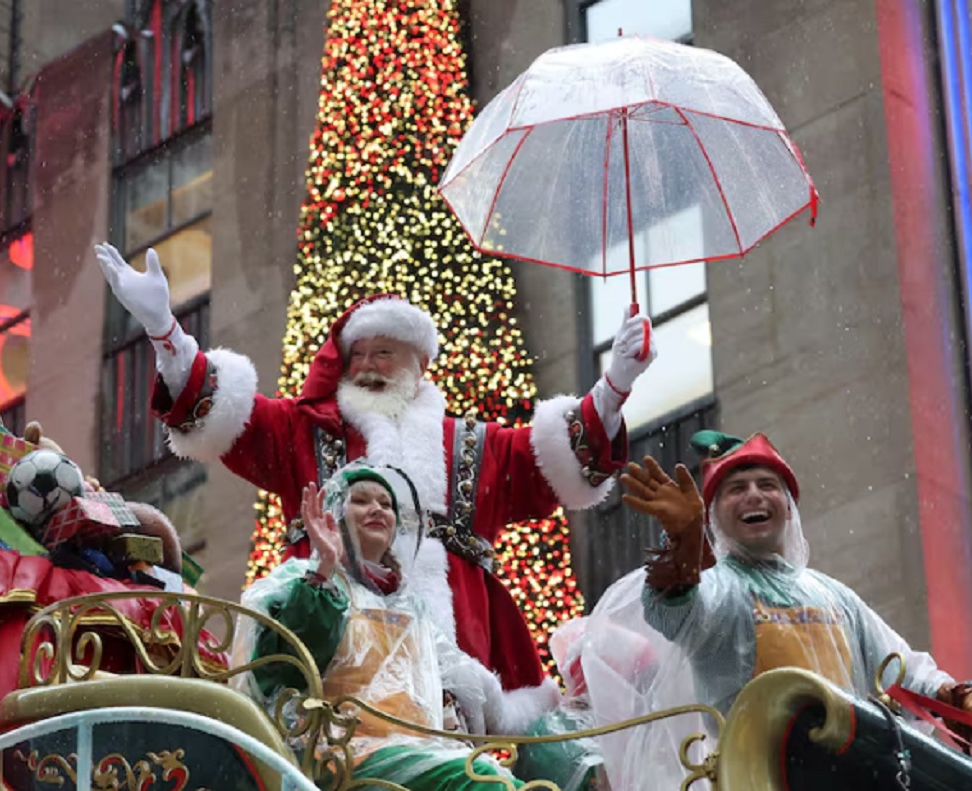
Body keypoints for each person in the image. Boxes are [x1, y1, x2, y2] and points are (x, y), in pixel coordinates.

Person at [95, 243, 656, 691]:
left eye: (383, 354)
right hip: (333, 650)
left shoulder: (472, 444)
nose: (365, 367)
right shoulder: (305, 431)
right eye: (356, 356)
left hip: (460, 657)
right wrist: (166, 330)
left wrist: (615, 386)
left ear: (420, 364)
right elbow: (224, 417)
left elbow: (551, 462)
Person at [618, 430, 972, 735]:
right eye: (736, 489)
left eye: (767, 485)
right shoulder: (721, 589)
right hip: (757, 777)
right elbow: (679, 612)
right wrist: (685, 545)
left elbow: (899, 670)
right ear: (714, 517)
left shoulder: (832, 594)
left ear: (789, 508)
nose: (754, 495)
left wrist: (956, 698)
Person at [233, 463, 557, 789]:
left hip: (415, 753)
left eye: (386, 505)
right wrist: (323, 572)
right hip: (343, 756)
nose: (376, 509)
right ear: (335, 514)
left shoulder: (410, 608)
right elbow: (285, 667)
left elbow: (453, 679)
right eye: (360, 500)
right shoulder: (307, 581)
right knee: (484, 783)